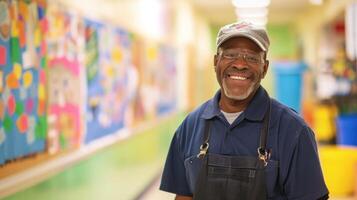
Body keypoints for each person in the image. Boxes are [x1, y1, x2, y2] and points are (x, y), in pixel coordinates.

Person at [160, 21, 329, 200]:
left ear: (264, 68)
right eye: (230, 54)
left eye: (252, 57)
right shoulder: (190, 126)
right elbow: (184, 196)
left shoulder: (293, 130)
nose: (240, 64)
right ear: (216, 61)